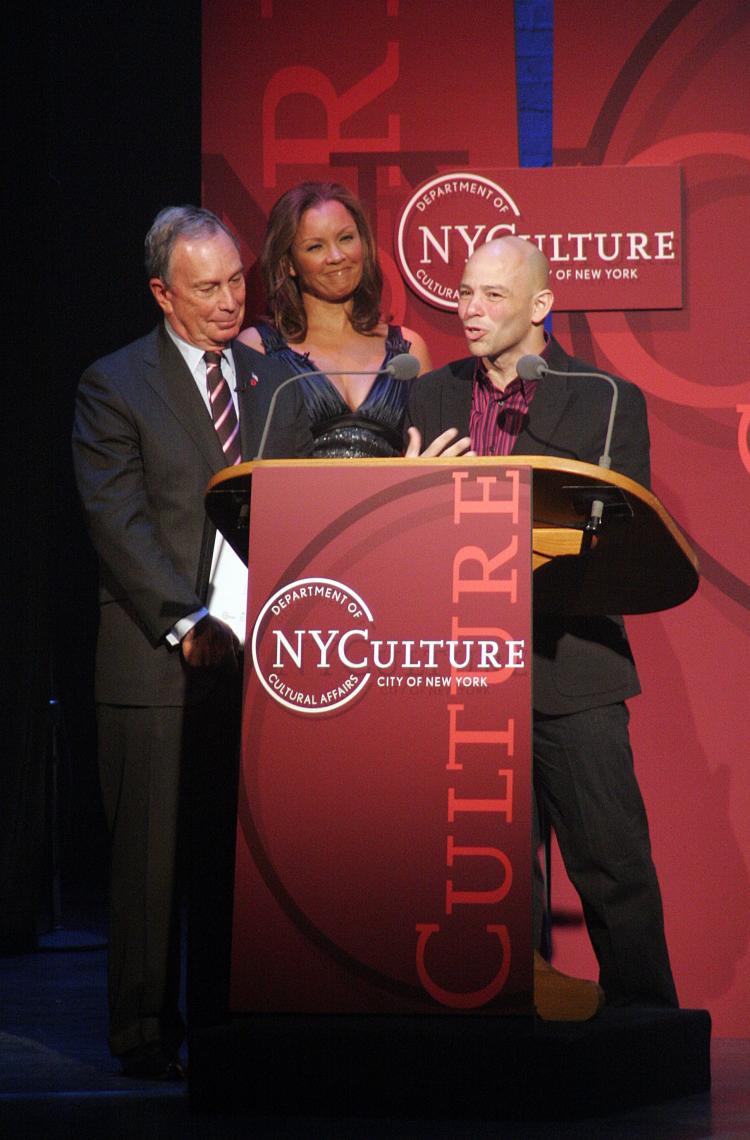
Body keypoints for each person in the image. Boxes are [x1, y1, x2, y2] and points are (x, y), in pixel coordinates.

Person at [406, 236, 678, 1012]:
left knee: (612, 864)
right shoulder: (427, 396)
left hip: (572, 665)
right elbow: (398, 539)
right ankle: (501, 1029)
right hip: (464, 673)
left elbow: (621, 536)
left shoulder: (603, 398)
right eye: (464, 293)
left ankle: (649, 1027)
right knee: (490, 876)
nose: (471, 311)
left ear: (540, 307)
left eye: (493, 296)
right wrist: (416, 494)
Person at [72, 205, 312, 1079]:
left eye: (235, 282)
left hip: (255, 659)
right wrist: (185, 622)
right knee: (149, 860)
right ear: (161, 294)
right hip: (157, 655)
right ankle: (142, 1028)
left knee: (229, 851)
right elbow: (118, 521)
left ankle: (218, 1021)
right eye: (205, 287)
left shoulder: (266, 379)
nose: (225, 301)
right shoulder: (115, 382)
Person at [238, 181, 432, 457]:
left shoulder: (409, 349)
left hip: (392, 500)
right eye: (316, 247)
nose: (337, 257)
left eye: (346, 238)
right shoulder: (258, 349)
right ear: (289, 263)